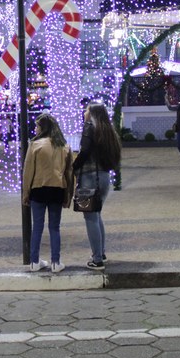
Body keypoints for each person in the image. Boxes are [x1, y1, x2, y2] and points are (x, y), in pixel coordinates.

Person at [22, 112, 74, 274]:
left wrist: (25, 193)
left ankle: (34, 261)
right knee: (54, 227)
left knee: (37, 227)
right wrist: (69, 195)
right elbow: (69, 174)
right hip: (57, 190)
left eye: (37, 126)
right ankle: (55, 262)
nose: (36, 129)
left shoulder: (35, 145)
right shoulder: (64, 146)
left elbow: (28, 171)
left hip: (38, 189)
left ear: (43, 127)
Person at [72, 103, 122, 271]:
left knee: (90, 217)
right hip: (104, 176)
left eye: (87, 110)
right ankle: (102, 253)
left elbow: (84, 151)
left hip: (88, 177)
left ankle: (97, 259)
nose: (84, 112)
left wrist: (73, 166)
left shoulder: (89, 127)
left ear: (92, 114)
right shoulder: (108, 130)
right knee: (97, 215)